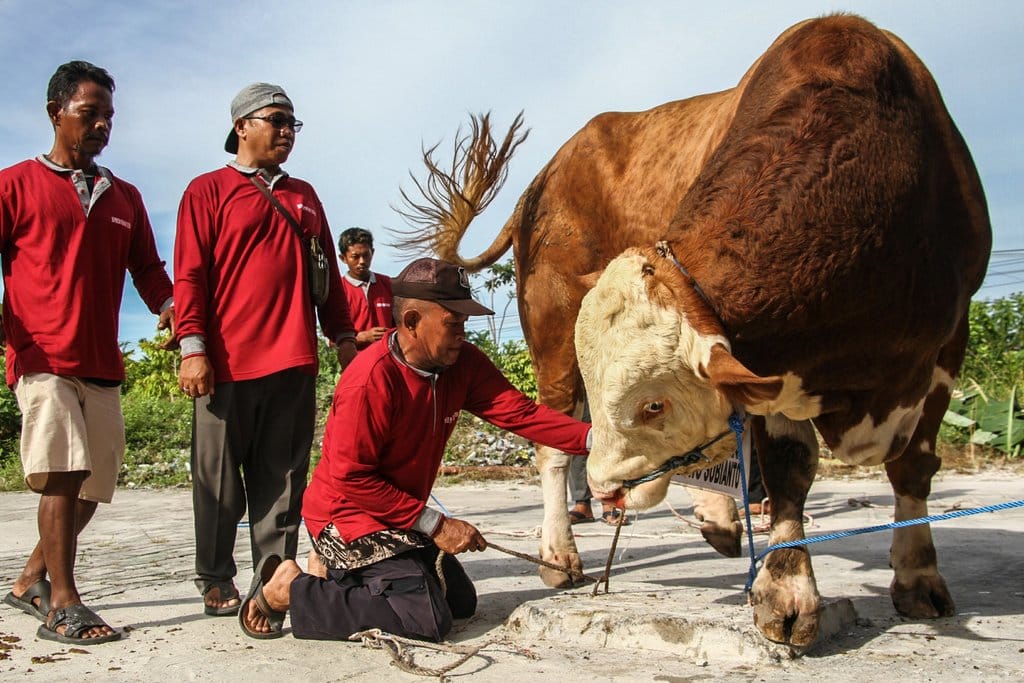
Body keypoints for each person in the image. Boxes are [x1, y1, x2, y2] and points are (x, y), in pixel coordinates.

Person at [237, 257, 592, 641]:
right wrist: (437, 524)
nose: (462, 334)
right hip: (347, 517)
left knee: (459, 601)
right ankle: (289, 588)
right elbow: (351, 478)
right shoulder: (369, 381)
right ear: (411, 323)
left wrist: (597, 441)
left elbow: (520, 413)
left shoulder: (463, 364)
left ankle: (340, 574)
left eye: (464, 324)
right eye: (453, 324)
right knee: (423, 619)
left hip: (397, 514)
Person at [0, 60, 174, 644]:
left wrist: (171, 309)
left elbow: (149, 271)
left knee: (93, 486)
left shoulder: (124, 196)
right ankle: (64, 604)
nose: (102, 124)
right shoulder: (14, 185)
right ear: (56, 113)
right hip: (42, 355)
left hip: (101, 363)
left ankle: (29, 580)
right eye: (89, 112)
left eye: (109, 116)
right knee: (63, 473)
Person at [174, 82, 357, 617]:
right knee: (218, 478)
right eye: (276, 120)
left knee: (282, 480)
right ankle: (214, 574)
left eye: (292, 124)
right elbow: (189, 274)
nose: (285, 132)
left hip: (294, 360)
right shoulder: (206, 191)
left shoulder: (304, 194)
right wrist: (192, 346)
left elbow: (328, 275)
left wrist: (343, 337)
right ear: (241, 127)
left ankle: (273, 577)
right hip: (225, 365)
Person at [338, 227, 393, 350]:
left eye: (366, 255)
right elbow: (330, 339)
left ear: (372, 252)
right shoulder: (338, 290)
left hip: (389, 361)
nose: (362, 261)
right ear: (343, 258)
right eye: (355, 256)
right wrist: (361, 337)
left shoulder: (388, 284)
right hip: (356, 363)